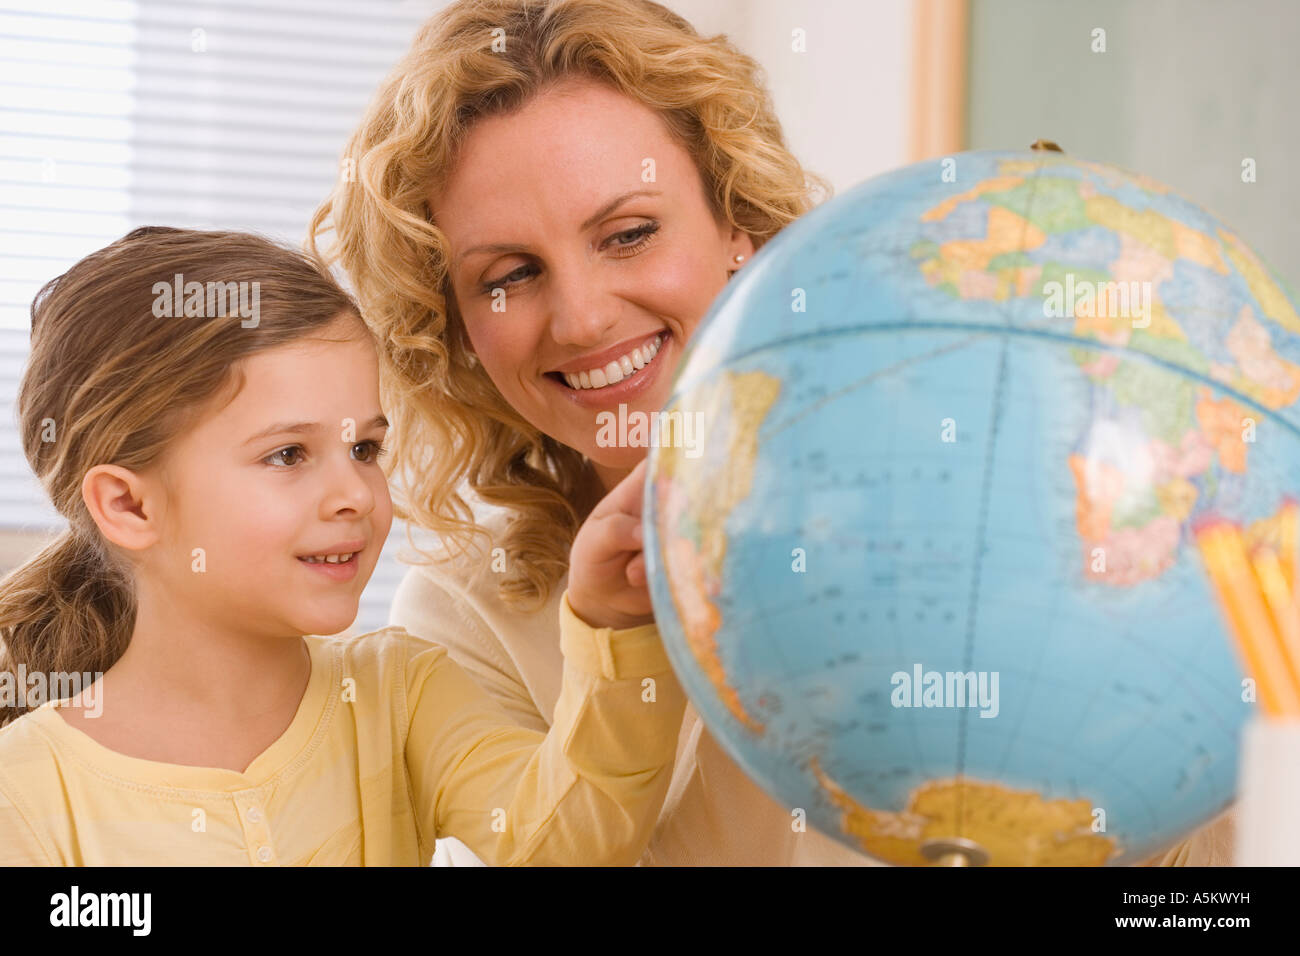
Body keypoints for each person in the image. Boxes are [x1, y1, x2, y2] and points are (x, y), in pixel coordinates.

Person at [310, 0, 1234, 866]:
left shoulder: (981, 468)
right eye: (510, 273)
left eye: (628, 234)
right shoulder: (464, 619)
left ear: (736, 223)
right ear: (458, 328)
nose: (584, 318)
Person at [0, 226, 685, 866]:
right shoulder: (25, 794)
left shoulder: (401, 694)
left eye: (364, 448)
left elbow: (572, 840)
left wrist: (614, 625)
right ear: (129, 505)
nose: (355, 494)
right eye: (289, 454)